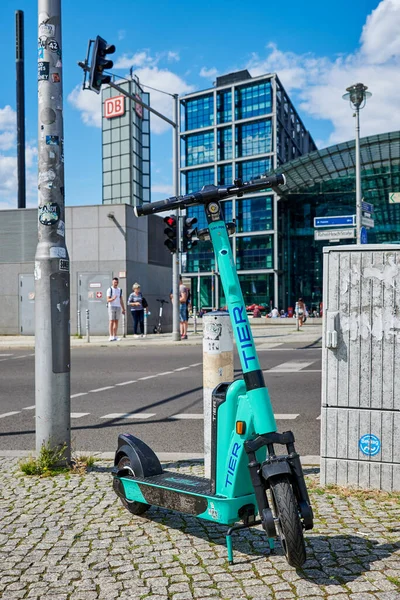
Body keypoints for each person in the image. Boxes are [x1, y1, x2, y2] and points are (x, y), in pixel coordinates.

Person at [107, 277, 125, 341]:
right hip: (111, 306)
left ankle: (115, 336)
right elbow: (108, 299)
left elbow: (121, 299)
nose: (116, 283)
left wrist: (123, 308)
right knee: (111, 321)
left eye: (117, 282)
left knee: (116, 321)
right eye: (115, 282)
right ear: (112, 282)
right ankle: (111, 336)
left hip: (118, 306)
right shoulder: (110, 289)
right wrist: (113, 299)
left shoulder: (119, 290)